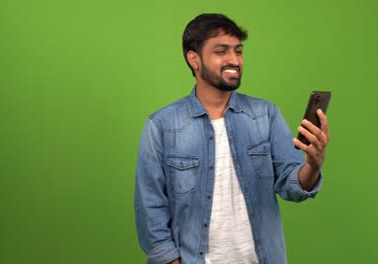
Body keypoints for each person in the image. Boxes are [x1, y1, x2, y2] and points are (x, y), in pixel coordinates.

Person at [135, 13, 330, 264]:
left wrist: (313, 165)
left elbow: (292, 185)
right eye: (221, 51)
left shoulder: (265, 115)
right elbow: (150, 209)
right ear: (194, 59)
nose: (234, 60)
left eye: (238, 51)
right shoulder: (161, 126)